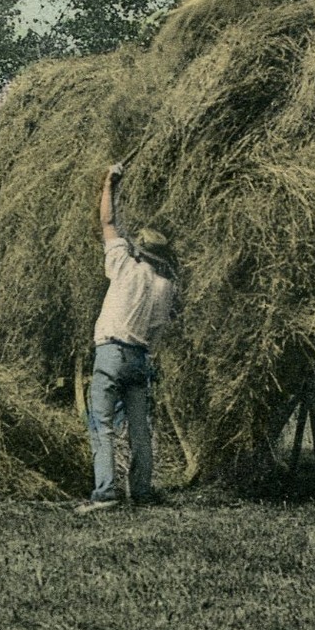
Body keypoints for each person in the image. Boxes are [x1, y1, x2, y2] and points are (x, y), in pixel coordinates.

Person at [77, 161, 178, 513]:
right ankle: (143, 491)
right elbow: (157, 331)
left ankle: (105, 494)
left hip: (111, 354)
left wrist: (109, 182)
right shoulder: (165, 286)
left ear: (140, 249)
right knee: (140, 430)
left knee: (101, 425)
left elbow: (108, 222)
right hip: (140, 358)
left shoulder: (123, 264)